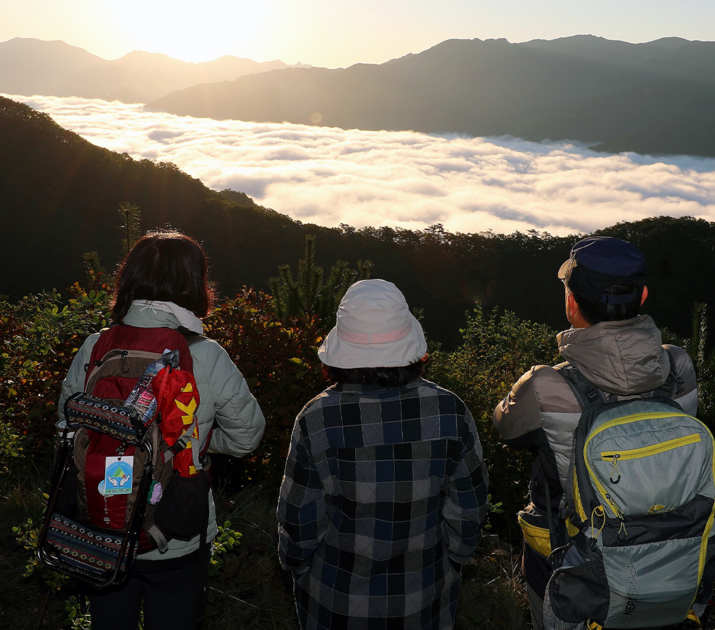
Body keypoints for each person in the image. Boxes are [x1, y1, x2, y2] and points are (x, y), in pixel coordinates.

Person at [58, 231, 266, 630]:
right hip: (175, 533)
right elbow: (246, 438)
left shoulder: (95, 348)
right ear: (195, 286)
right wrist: (198, 444)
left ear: (128, 280)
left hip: (101, 525)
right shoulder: (207, 355)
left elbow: (66, 428)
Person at [492, 236, 699, 630]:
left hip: (572, 563)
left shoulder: (547, 385)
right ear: (643, 297)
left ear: (571, 301)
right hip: (668, 559)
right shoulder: (677, 366)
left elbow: (506, 428)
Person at [277, 279, 490, 630]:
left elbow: (299, 520)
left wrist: (298, 568)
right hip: (424, 600)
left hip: (335, 602)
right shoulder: (449, 410)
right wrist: (453, 560)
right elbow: (469, 509)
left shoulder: (317, 418)